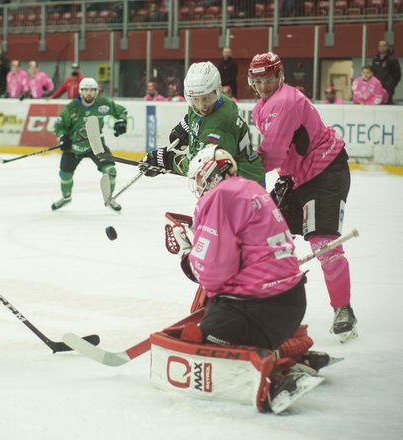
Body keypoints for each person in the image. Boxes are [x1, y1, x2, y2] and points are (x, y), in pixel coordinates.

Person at [162, 145, 325, 413]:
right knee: (225, 323)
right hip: (292, 302)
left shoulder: (219, 197)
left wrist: (187, 254)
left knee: (201, 339)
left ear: (209, 176)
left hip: (256, 308)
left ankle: (275, 376)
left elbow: (213, 273)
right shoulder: (252, 189)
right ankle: (297, 353)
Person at [248, 52, 357, 343]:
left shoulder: (286, 101)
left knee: (324, 245)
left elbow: (270, 155)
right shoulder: (260, 109)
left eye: (268, 79)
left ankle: (343, 309)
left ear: (279, 76)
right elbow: (279, 156)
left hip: (326, 172)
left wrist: (232, 169)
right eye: (258, 81)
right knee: (263, 237)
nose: (263, 85)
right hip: (296, 178)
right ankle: (265, 301)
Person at [140, 61, 264, 186]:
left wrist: (168, 160)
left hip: (243, 186)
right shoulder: (217, 101)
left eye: (206, 98)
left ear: (217, 90)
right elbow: (196, 115)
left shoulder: (220, 125)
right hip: (227, 181)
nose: (201, 106)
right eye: (195, 99)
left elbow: (205, 166)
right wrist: (186, 126)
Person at [52, 77, 127, 211]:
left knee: (111, 171)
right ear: (80, 91)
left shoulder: (103, 104)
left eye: (92, 90)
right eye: (85, 90)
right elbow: (59, 125)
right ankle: (66, 197)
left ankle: (110, 198)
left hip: (96, 145)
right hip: (73, 148)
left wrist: (121, 121)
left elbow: (121, 111)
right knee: (65, 175)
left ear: (96, 92)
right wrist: (63, 137)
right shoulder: (71, 108)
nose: (89, 93)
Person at [371, 40, 402, 105]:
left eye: (384, 46)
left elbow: (397, 74)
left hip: (388, 88)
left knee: (388, 104)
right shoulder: (375, 59)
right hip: (377, 87)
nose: (382, 47)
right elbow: (373, 72)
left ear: (387, 47)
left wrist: (391, 83)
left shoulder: (392, 59)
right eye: (380, 46)